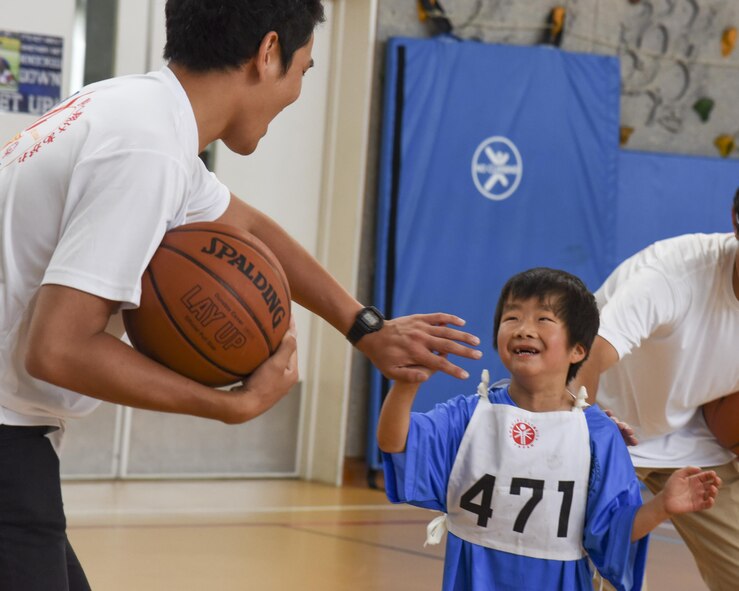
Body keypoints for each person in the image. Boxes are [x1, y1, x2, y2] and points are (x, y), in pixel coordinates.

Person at [0, 1, 481, 589]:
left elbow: (249, 230)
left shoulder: (135, 111)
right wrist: (229, 406)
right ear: (269, 51)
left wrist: (364, 327)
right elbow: (57, 350)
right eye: (305, 69)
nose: (299, 90)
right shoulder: (147, 150)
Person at [377, 267, 721, 591]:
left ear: (578, 350)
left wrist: (662, 505)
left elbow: (613, 530)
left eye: (543, 319)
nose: (524, 328)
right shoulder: (469, 416)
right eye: (512, 317)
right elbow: (396, 443)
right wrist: (406, 385)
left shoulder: (597, 435)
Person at [572, 191, 739, 591]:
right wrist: (585, 450)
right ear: (736, 220)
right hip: (608, 428)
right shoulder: (673, 274)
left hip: (691, 434)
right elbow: (586, 357)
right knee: (607, 575)